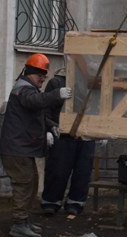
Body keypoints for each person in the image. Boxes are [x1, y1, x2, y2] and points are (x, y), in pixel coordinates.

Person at [0, 53, 71, 237]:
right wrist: (56, 95)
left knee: (31, 183)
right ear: (32, 73)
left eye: (44, 77)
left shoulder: (27, 88)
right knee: (24, 184)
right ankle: (18, 224)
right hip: (17, 149)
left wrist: (50, 126)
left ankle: (23, 220)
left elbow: (34, 113)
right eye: (41, 76)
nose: (42, 80)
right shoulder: (23, 89)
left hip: (20, 148)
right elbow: (34, 103)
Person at [40, 74, 94, 218]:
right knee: (57, 169)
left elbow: (99, 106)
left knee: (83, 171)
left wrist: (102, 131)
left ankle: (75, 203)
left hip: (86, 134)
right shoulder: (57, 82)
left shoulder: (93, 81)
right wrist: (49, 127)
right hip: (62, 134)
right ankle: (51, 202)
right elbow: (45, 108)